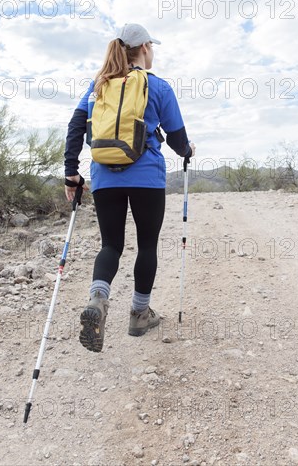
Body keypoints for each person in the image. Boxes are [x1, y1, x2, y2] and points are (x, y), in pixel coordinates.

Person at [64, 23, 195, 352]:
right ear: (145, 48)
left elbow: (76, 127)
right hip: (146, 177)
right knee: (147, 245)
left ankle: (98, 298)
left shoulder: (98, 86)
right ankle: (139, 314)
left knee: (111, 245)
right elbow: (177, 138)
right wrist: (188, 151)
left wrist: (71, 175)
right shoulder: (158, 86)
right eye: (153, 47)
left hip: (105, 178)